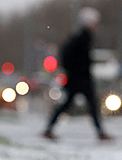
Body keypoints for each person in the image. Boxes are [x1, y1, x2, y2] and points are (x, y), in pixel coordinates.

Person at [43, 7, 113, 141]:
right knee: (89, 105)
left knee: (71, 104)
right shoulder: (83, 38)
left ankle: (49, 129)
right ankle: (100, 133)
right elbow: (79, 59)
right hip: (81, 79)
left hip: (77, 78)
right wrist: (79, 71)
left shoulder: (79, 37)